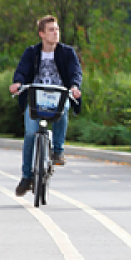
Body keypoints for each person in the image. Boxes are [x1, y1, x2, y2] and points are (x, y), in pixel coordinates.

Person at [9, 15, 82, 197]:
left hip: (58, 95)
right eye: (51, 30)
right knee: (29, 134)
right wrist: (17, 83)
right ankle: (26, 176)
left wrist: (74, 87)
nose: (56, 33)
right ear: (41, 33)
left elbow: (75, 72)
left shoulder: (67, 52)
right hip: (36, 95)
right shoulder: (31, 52)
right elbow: (21, 71)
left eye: (57, 29)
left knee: (64, 108)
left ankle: (58, 150)